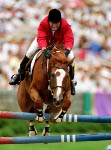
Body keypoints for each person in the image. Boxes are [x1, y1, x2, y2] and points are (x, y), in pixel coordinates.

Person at [9, 9, 76, 95]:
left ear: (60, 22)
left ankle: (72, 81)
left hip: (59, 44)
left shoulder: (65, 25)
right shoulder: (43, 23)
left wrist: (68, 49)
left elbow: (69, 38)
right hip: (44, 42)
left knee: (71, 58)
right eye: (52, 23)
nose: (55, 26)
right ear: (49, 21)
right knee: (30, 52)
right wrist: (44, 49)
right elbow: (41, 38)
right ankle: (19, 74)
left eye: (57, 23)